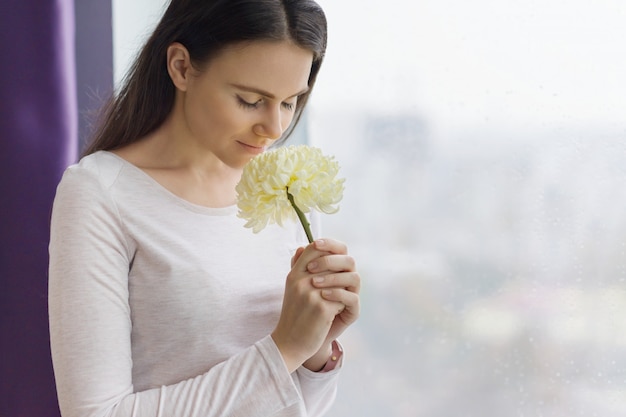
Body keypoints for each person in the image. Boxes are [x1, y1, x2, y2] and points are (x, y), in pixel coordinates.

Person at [48, 1, 361, 416]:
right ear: (180, 67)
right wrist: (285, 347)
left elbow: (295, 406)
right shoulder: (101, 193)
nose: (274, 128)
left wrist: (316, 351)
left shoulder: (284, 188)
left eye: (289, 102)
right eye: (251, 100)